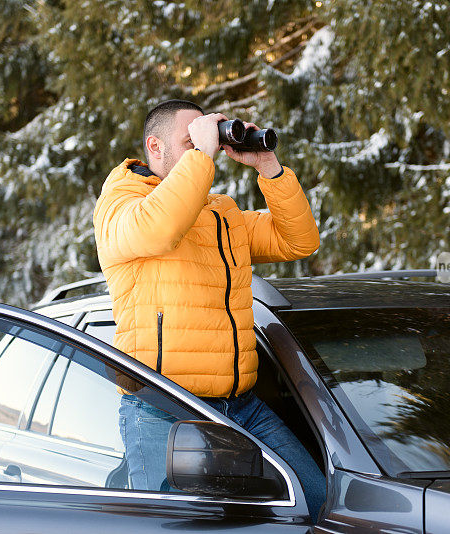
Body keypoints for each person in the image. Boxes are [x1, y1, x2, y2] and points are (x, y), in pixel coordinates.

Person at [92, 99, 325, 519]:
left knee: (317, 502)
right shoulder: (121, 205)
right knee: (174, 528)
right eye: (190, 140)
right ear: (155, 147)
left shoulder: (221, 212)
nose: (206, 149)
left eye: (205, 140)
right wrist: (201, 156)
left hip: (241, 407)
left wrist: (268, 166)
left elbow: (299, 240)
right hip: (163, 408)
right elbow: (160, 228)